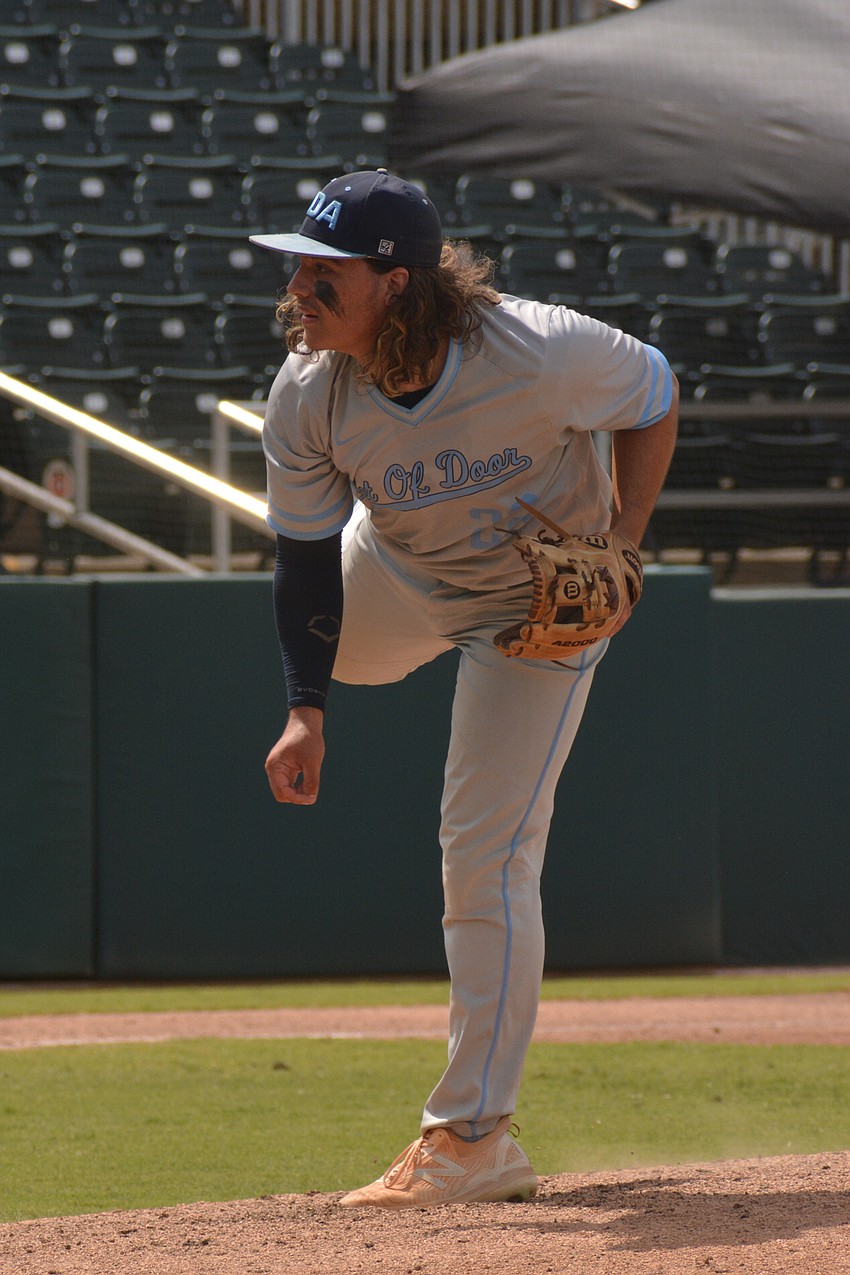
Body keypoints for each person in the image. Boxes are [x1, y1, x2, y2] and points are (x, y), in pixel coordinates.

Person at [251, 169, 678, 1210]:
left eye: (326, 272)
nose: (300, 288)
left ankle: (472, 1137)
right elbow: (303, 558)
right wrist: (305, 707)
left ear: (396, 283)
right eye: (298, 267)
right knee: (341, 645)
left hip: (533, 612)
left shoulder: (535, 351)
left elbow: (655, 389)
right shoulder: (311, 390)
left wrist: (622, 543)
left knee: (482, 850)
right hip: (396, 576)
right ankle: (346, 668)